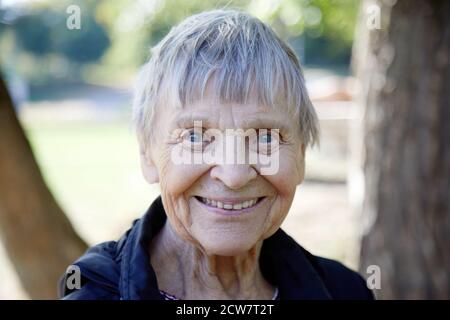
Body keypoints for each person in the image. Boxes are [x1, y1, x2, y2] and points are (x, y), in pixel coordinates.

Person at [59, 9, 374, 300]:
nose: (234, 175)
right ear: (147, 154)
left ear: (301, 155)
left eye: (266, 137)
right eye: (195, 137)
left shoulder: (346, 292)